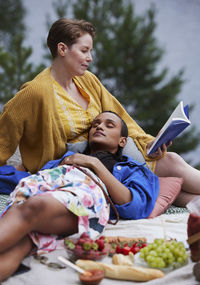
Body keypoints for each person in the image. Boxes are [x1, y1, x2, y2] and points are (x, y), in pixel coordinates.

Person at [0, 18, 199, 205]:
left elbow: (120, 117)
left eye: (90, 51)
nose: (90, 58)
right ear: (62, 49)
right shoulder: (36, 92)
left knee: (175, 184)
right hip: (82, 169)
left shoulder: (87, 80)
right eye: (85, 50)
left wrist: (150, 143)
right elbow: (5, 130)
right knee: (172, 165)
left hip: (115, 156)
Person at [0, 111, 159, 281]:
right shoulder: (66, 158)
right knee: (24, 242)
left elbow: (134, 206)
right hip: (47, 190)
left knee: (33, 208)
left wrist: (94, 164)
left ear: (122, 141)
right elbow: (32, 177)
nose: (99, 126)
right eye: (95, 124)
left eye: (109, 125)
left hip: (83, 201)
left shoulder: (134, 169)